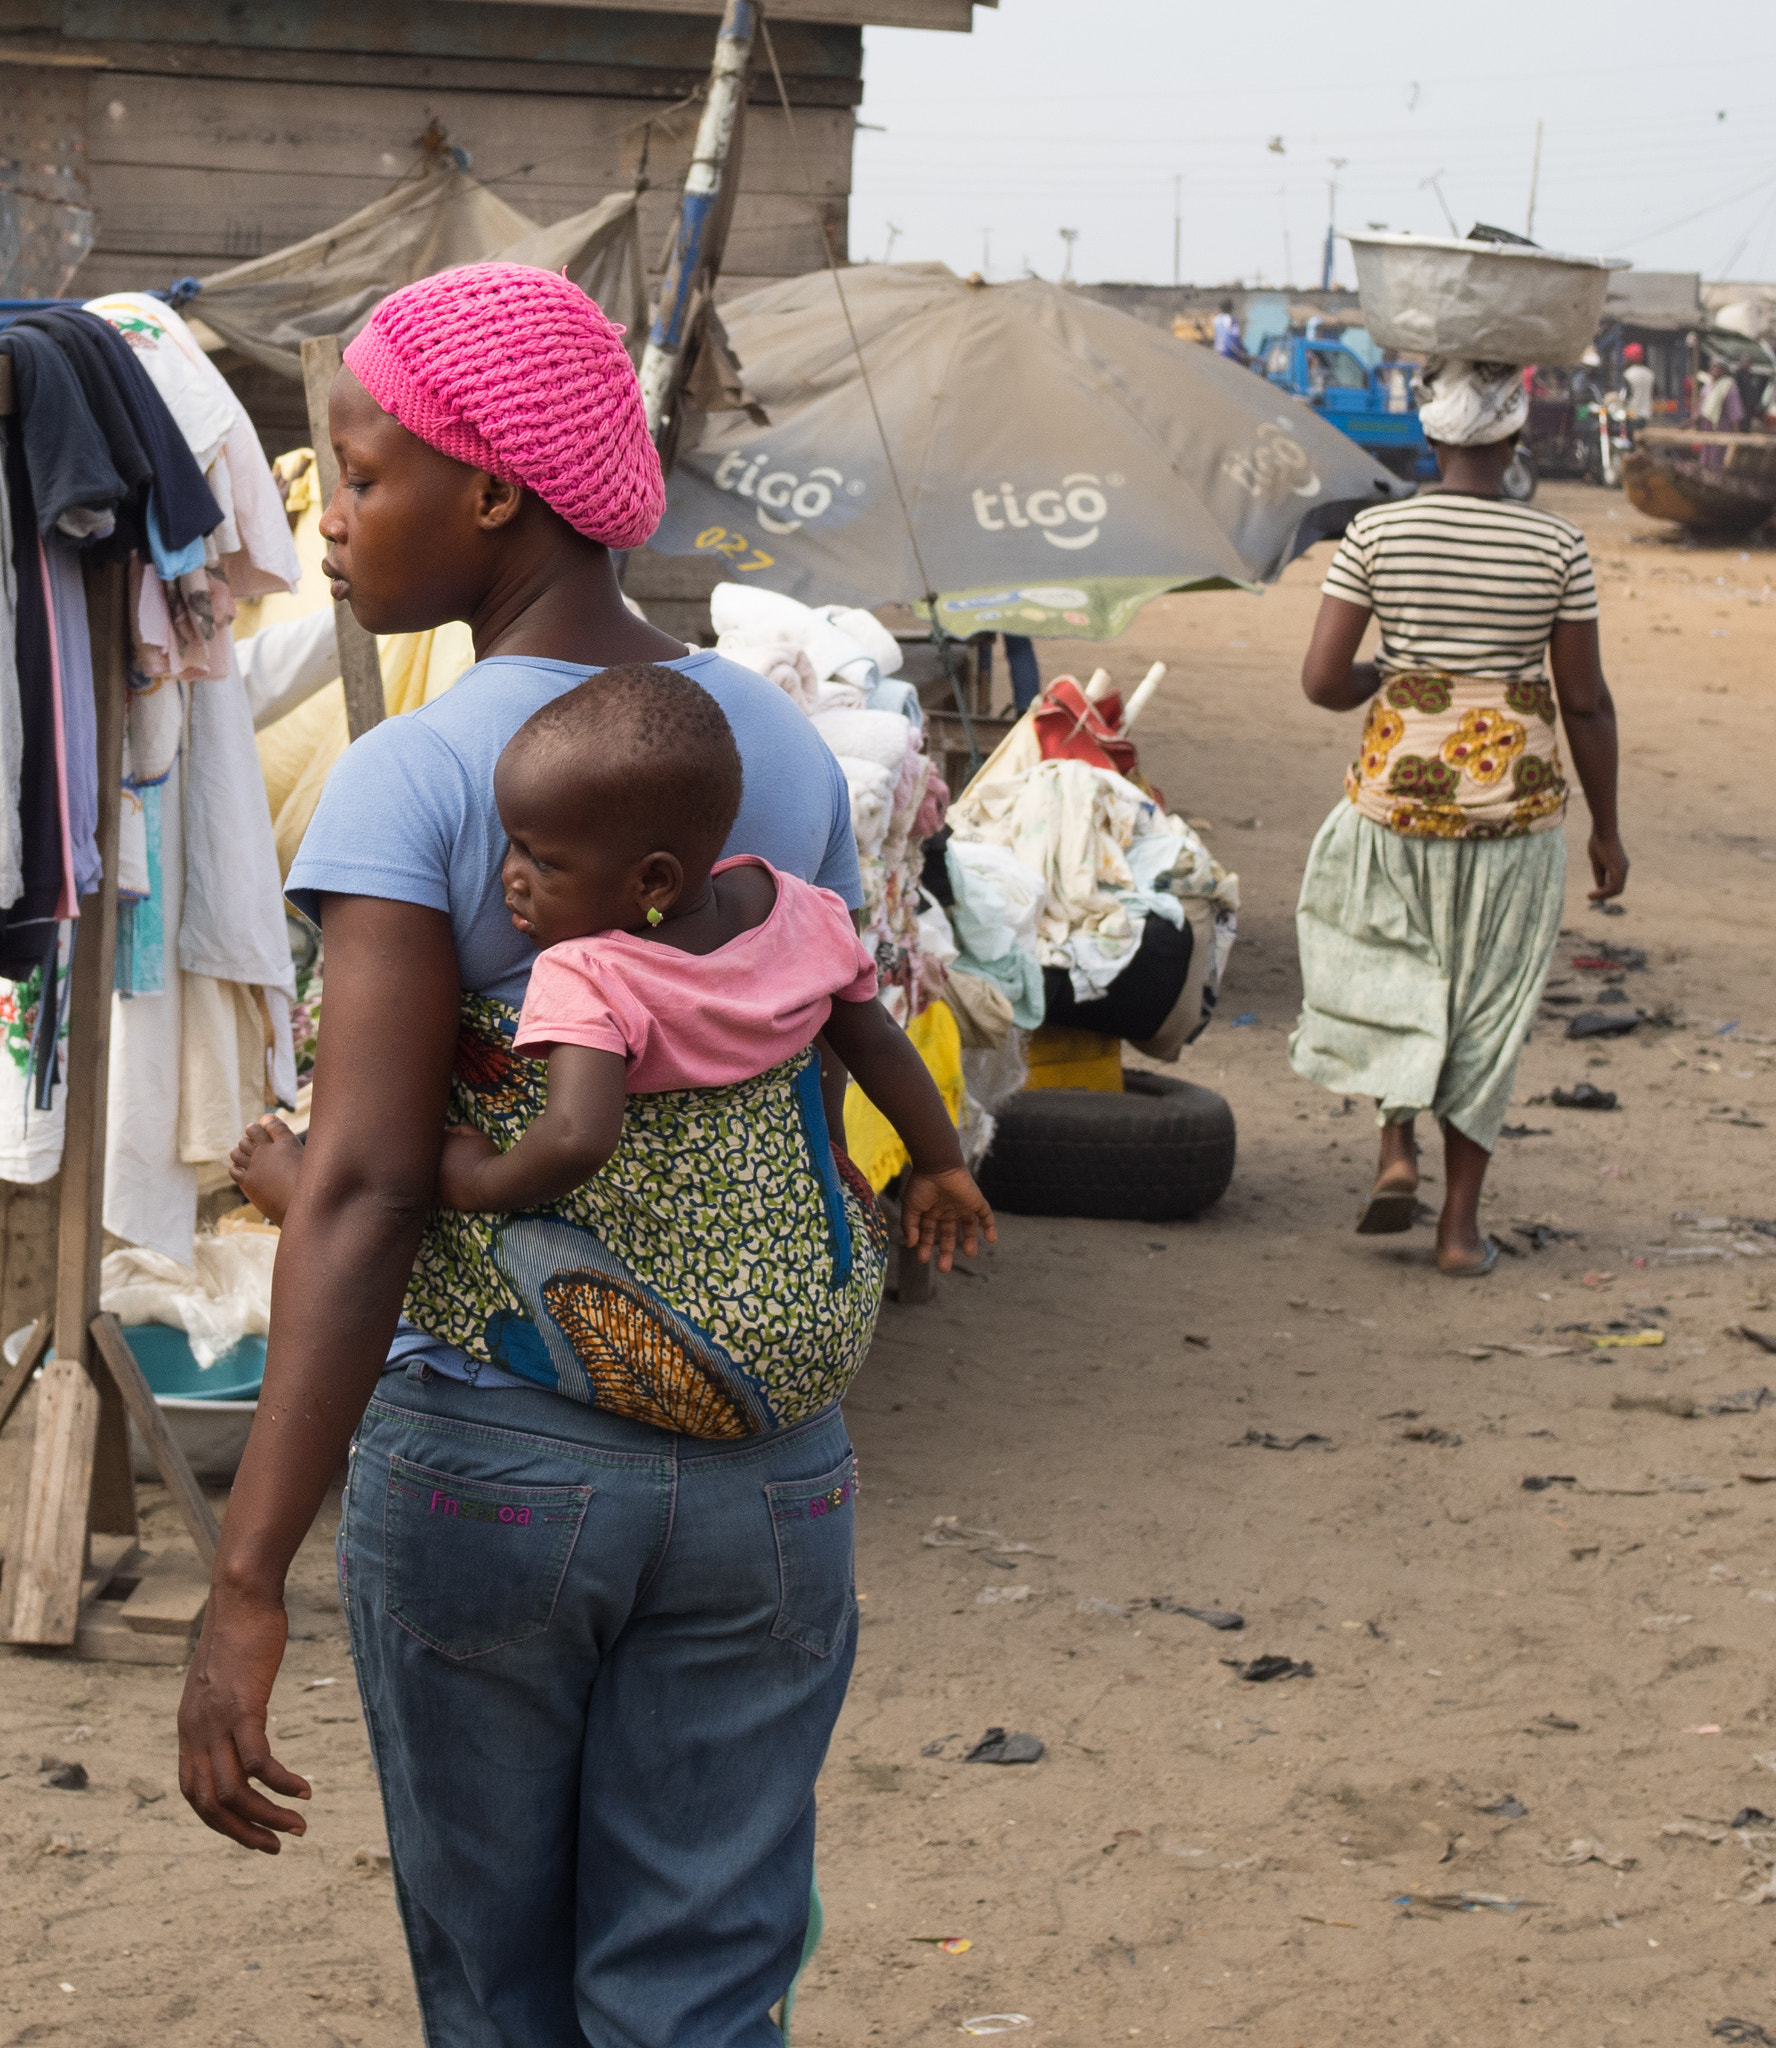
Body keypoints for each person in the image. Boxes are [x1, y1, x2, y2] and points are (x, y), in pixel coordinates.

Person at [174, 262, 962, 2045]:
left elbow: (370, 1188)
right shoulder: (768, 739)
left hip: (497, 1474)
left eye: (362, 477)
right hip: (776, 1477)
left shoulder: (419, 774)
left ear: (494, 491)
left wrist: (245, 1576)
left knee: (503, 1990)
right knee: (700, 1982)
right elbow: (812, 1029)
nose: (334, 527)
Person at [1286, 356, 1628, 1276]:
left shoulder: (1376, 533)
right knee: (1488, 1005)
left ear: (1432, 437)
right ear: (1516, 439)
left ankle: (1395, 1144)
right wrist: (1606, 828)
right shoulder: (1559, 547)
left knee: (1385, 961)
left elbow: (1323, 683)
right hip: (1513, 810)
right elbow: (1585, 700)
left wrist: (1391, 676)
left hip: (1394, 797)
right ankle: (1459, 1231)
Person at [1622, 342, 1655, 428]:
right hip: (1645, 415)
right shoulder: (1649, 373)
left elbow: (1625, 395)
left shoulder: (1628, 374)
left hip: (1631, 415)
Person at [1212, 295, 1247, 363]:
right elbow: (1234, 338)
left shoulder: (1216, 319)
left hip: (1217, 351)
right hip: (1228, 354)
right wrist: (1243, 350)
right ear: (1231, 308)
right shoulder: (1231, 319)